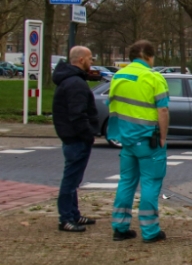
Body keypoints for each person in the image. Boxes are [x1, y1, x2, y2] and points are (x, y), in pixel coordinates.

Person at [108, 40, 170, 243]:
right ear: (150, 57)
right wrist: (162, 136)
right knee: (150, 184)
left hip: (127, 139)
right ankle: (150, 230)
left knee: (126, 182)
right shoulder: (153, 77)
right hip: (148, 140)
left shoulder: (119, 76)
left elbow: (114, 107)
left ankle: (120, 226)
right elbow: (162, 110)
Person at [52, 46, 99, 232]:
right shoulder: (76, 84)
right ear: (81, 60)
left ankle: (73, 214)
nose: (92, 61)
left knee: (73, 179)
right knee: (70, 180)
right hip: (76, 138)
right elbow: (78, 114)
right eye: (90, 58)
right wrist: (88, 134)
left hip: (71, 137)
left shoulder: (69, 81)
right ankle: (66, 218)